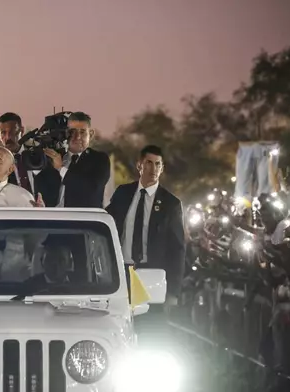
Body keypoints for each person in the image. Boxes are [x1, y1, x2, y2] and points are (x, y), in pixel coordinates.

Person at [106, 145, 185, 305]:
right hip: (121, 275)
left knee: (151, 327)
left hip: (152, 277)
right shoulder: (123, 193)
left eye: (158, 164)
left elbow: (177, 248)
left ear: (162, 168)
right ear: (139, 165)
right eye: (149, 163)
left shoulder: (171, 204)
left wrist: (173, 292)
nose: (153, 168)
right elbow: (106, 223)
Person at [0, 112, 62, 206]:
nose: (8, 137)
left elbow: (53, 185)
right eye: (3, 133)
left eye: (12, 132)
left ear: (22, 130)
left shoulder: (40, 155)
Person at [42, 111, 111, 208]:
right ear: (65, 133)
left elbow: (92, 188)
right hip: (53, 218)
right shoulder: (54, 157)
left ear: (91, 134)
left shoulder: (99, 159)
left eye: (82, 132)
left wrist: (61, 169)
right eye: (72, 132)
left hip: (82, 220)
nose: (77, 137)